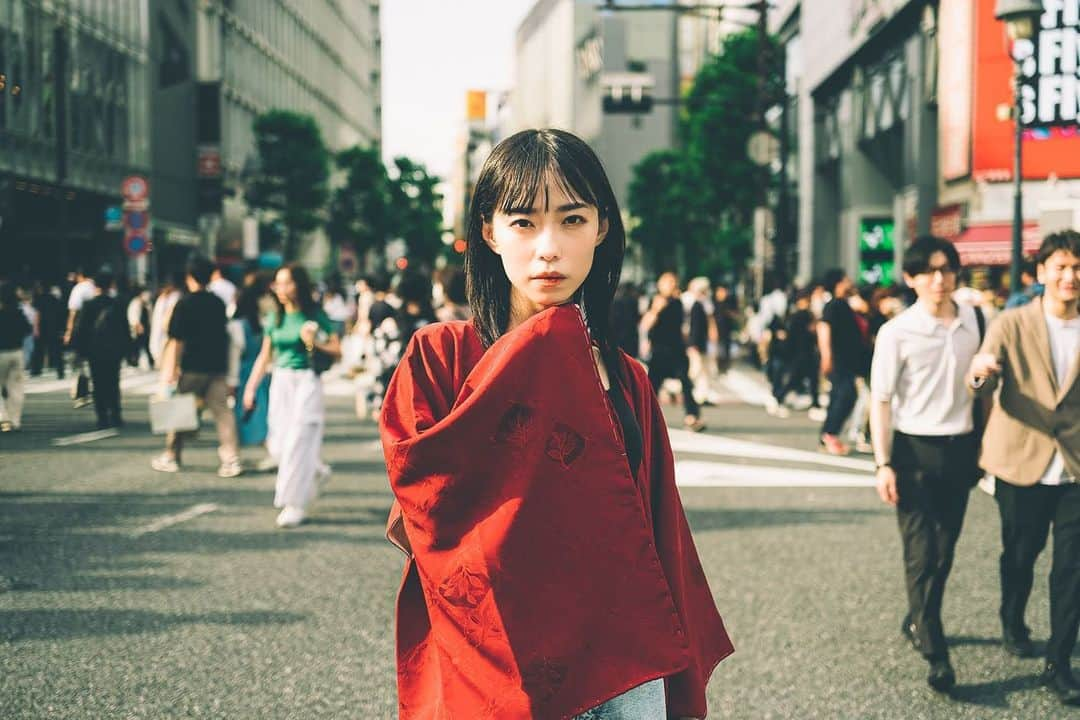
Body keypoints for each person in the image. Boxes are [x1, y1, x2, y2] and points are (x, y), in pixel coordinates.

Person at [380, 129, 732, 719]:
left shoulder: (626, 378)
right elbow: (426, 505)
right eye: (523, 223)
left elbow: (655, 528)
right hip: (501, 661)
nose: (549, 248)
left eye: (572, 221)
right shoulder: (439, 355)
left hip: (624, 656)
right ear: (488, 231)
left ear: (601, 230)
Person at [967, 231, 1080, 706]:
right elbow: (979, 369)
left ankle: (1059, 662)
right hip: (1020, 457)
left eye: (1077, 268)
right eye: (1061, 267)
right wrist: (981, 374)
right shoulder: (1012, 323)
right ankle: (1012, 617)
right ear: (1041, 274)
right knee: (1021, 552)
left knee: (1072, 567)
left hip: (1075, 464)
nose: (1071, 276)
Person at [869, 236, 984, 693]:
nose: (940, 279)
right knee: (922, 553)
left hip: (959, 449)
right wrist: (882, 463)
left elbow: (980, 382)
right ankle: (936, 653)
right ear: (912, 278)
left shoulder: (974, 319)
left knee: (946, 549)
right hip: (913, 450)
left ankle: (919, 615)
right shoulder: (896, 331)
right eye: (929, 271)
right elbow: (880, 401)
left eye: (947, 269)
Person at [242, 263, 340, 528]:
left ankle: (293, 504)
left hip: (307, 379)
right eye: (278, 283)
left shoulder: (314, 314)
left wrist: (313, 341)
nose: (281, 288)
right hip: (281, 381)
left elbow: (336, 349)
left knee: (298, 440)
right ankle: (316, 469)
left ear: (299, 285)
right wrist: (250, 388)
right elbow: (265, 356)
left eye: (287, 282)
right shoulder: (275, 318)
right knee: (280, 444)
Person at [151, 256, 242, 477]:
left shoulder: (183, 303)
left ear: (189, 276)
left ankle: (172, 456)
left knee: (179, 410)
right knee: (222, 412)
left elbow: (176, 341)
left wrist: (171, 371)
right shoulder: (218, 303)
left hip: (192, 366)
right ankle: (231, 460)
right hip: (216, 366)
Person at [643, 271, 706, 432]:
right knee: (651, 386)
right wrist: (656, 310)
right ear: (660, 285)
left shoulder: (678, 302)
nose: (671, 286)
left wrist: (689, 346)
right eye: (668, 282)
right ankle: (644, 418)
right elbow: (645, 325)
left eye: (673, 283)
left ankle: (692, 416)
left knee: (686, 382)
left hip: (677, 349)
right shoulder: (654, 301)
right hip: (659, 350)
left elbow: (682, 326)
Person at [817, 268, 867, 455]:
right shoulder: (834, 305)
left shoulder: (844, 304)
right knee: (847, 395)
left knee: (838, 397)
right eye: (846, 279)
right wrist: (826, 356)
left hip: (846, 359)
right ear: (838, 282)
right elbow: (824, 328)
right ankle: (829, 434)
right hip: (838, 359)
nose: (850, 282)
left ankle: (826, 435)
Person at [75, 270, 130, 429]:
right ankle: (116, 414)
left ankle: (102, 417)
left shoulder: (89, 305)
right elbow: (124, 327)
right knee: (113, 381)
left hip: (95, 350)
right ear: (111, 284)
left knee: (98, 383)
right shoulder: (118, 303)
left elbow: (82, 329)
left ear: (95, 285)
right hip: (114, 350)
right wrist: (128, 348)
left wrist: (80, 351)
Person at [231, 286, 271, 450]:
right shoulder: (264, 322)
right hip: (263, 372)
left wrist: (231, 381)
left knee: (245, 408)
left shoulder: (236, 326)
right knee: (264, 409)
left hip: (244, 372)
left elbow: (233, 356)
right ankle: (267, 442)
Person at [0, 283, 31, 432]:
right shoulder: (18, 312)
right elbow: (28, 329)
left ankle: (3, 418)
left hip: (0, 353)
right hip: (17, 352)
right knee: (16, 388)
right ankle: (15, 420)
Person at [30, 282, 65, 378]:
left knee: (38, 350)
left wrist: (35, 328)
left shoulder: (39, 299)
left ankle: (36, 370)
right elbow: (60, 314)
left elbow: (37, 314)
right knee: (56, 350)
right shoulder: (55, 299)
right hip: (54, 327)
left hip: (42, 327)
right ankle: (60, 371)